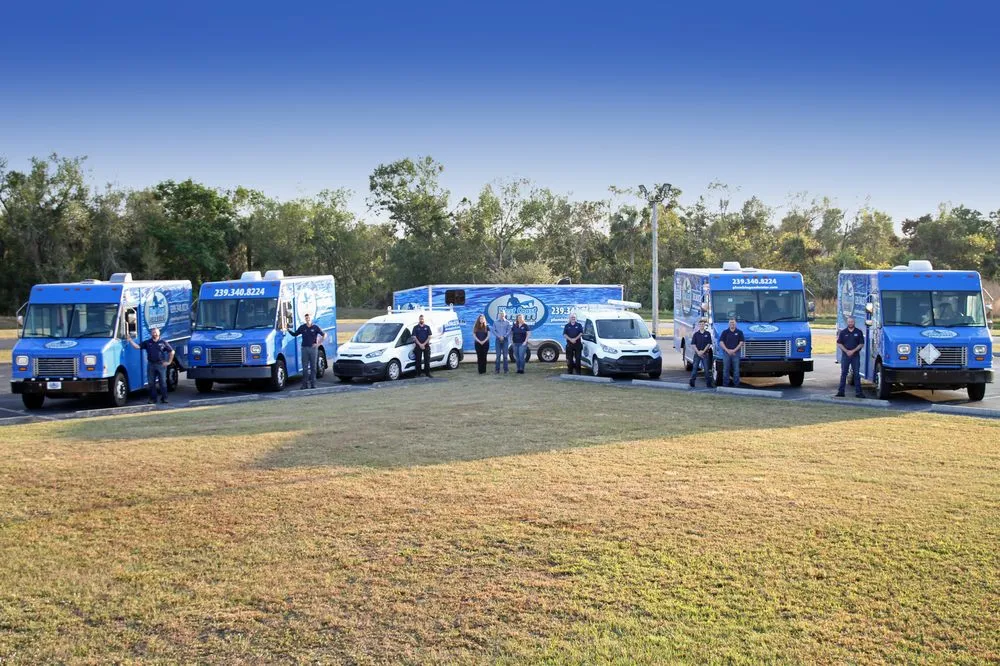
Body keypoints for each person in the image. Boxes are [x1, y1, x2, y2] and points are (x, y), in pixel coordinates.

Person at [126, 327, 174, 404]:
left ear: (159, 333)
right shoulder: (148, 342)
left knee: (163, 382)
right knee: (151, 383)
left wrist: (169, 362)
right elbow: (137, 347)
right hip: (151, 365)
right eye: (152, 332)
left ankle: (164, 398)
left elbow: (172, 352)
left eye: (155, 332)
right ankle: (153, 399)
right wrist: (130, 340)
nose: (154, 333)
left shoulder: (163, 342)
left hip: (161, 365)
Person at [291, 312, 325, 389]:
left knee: (313, 367)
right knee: (305, 368)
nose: (307, 319)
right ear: (305, 319)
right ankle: (304, 384)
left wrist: (318, 343)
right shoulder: (302, 327)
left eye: (309, 318)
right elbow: (295, 334)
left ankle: (313, 384)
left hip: (313, 349)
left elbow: (324, 334)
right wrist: (288, 330)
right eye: (306, 318)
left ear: (311, 318)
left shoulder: (315, 327)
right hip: (304, 349)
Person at [836, 316, 865, 398]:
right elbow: (839, 343)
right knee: (844, 373)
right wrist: (846, 351)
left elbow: (861, 344)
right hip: (845, 356)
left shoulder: (858, 332)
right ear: (847, 322)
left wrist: (853, 351)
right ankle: (841, 392)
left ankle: (858, 393)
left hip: (855, 356)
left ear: (854, 322)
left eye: (852, 322)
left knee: (856, 374)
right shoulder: (843, 332)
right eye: (849, 322)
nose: (850, 323)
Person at [718, 317, 745, 387]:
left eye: (733, 322)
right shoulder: (725, 332)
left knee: (736, 370)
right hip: (726, 353)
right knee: (726, 369)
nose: (732, 324)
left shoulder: (739, 332)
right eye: (730, 323)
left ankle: (736, 385)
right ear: (728, 324)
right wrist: (727, 350)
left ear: (736, 324)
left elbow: (741, 342)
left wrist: (734, 350)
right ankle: (725, 385)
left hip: (736, 353)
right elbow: (721, 342)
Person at [689, 318, 714, 388]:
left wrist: (703, 351)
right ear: (698, 325)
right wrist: (698, 352)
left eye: (702, 324)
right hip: (697, 354)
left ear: (704, 325)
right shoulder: (696, 334)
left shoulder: (707, 334)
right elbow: (693, 344)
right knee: (694, 369)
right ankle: (692, 383)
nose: (701, 326)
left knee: (706, 369)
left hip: (705, 354)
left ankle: (709, 384)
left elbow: (709, 344)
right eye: (700, 324)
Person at [412, 314, 433, 378]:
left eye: (422, 319)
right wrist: (420, 344)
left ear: (424, 320)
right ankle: (418, 374)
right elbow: (414, 337)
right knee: (418, 360)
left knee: (427, 360)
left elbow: (429, 337)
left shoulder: (427, 327)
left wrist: (423, 344)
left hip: (426, 346)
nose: (421, 320)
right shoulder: (415, 327)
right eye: (420, 319)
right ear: (419, 319)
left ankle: (427, 373)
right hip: (418, 346)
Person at [493, 310, 512, 374]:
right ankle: (497, 370)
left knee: (505, 356)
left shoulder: (508, 322)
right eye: (500, 314)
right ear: (499, 315)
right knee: (498, 356)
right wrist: (499, 336)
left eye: (503, 314)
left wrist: (504, 336)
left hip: (505, 340)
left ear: (505, 314)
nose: (501, 315)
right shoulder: (495, 322)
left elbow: (509, 331)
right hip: (498, 340)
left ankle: (506, 370)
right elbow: (494, 330)